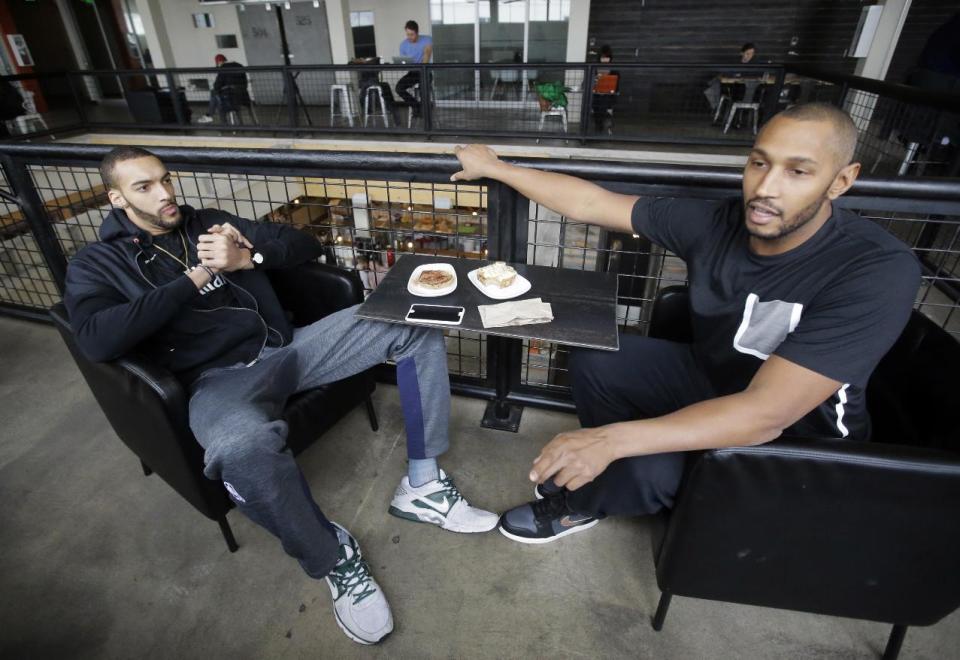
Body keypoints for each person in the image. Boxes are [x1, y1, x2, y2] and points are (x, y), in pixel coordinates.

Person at [64, 147, 498, 644]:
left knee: (415, 321)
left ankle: (422, 486)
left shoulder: (210, 222)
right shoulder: (97, 263)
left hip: (289, 348)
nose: (165, 194)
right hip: (217, 382)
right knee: (239, 450)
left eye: (165, 179)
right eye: (144, 187)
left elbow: (300, 243)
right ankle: (333, 558)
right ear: (116, 197)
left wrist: (247, 256)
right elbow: (97, 338)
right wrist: (197, 278)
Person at [451, 103, 920, 544]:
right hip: (715, 380)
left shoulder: (875, 268)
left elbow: (766, 414)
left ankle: (586, 500)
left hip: (798, 441)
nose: (766, 188)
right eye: (759, 163)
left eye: (798, 171)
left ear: (840, 181)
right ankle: (613, 468)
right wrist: (495, 168)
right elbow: (592, 204)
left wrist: (610, 441)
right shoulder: (717, 222)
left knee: (641, 468)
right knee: (599, 356)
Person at [704, 42, 758, 113]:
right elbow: (726, 74)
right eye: (747, 53)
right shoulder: (735, 63)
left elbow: (755, 76)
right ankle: (718, 108)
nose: (749, 56)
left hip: (748, 93)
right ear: (742, 53)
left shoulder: (754, 65)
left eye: (751, 54)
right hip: (733, 90)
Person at [395, 20, 433, 119]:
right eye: (407, 34)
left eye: (412, 34)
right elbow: (404, 62)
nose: (409, 37)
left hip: (425, 71)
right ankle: (417, 106)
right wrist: (404, 65)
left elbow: (427, 54)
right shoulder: (403, 44)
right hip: (413, 73)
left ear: (417, 32)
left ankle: (426, 112)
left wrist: (422, 67)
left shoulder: (427, 40)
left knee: (422, 89)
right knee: (398, 88)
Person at [196, 54, 248, 124]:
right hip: (243, 96)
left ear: (219, 62)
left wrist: (218, 88)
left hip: (230, 98)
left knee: (215, 95)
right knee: (216, 94)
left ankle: (212, 117)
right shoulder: (239, 65)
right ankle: (209, 115)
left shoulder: (223, 67)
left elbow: (217, 84)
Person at [591, 45, 619, 134]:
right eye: (603, 57)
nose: (605, 60)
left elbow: (616, 86)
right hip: (596, 94)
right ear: (600, 57)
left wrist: (613, 90)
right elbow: (587, 83)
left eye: (607, 58)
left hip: (608, 95)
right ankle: (598, 125)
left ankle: (599, 126)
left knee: (603, 103)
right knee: (596, 103)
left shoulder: (614, 71)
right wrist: (595, 80)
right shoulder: (594, 69)